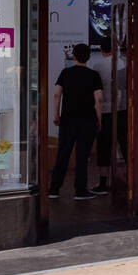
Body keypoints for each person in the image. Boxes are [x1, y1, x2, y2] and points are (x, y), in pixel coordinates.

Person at [49, 43, 103, 200]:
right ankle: (80, 190)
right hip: (87, 120)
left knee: (63, 153)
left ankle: (54, 189)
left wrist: (56, 115)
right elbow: (98, 99)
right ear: (89, 57)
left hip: (67, 119)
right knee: (82, 154)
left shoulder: (65, 73)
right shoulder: (94, 75)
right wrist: (99, 118)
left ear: (73, 56)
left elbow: (56, 95)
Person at [87, 41, 128, 194]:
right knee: (125, 144)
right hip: (123, 110)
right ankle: (130, 179)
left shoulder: (98, 66)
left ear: (102, 50)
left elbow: (96, 91)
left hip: (105, 111)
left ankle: (103, 182)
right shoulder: (124, 63)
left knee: (103, 146)